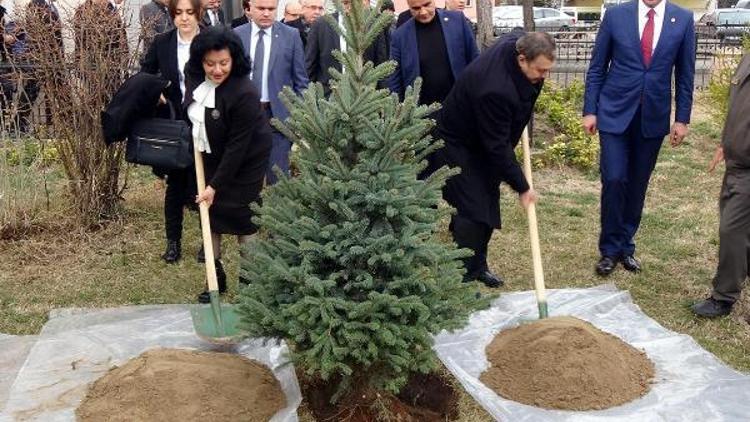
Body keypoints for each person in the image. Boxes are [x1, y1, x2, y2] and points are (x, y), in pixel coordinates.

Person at [582, 0, 695, 277]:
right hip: (613, 112)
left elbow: (685, 74)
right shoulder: (616, 15)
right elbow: (597, 66)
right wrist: (590, 110)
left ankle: (625, 247)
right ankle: (609, 250)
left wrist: (682, 118)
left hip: (653, 116)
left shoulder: (683, 19)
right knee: (614, 178)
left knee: (637, 183)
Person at [435, 31, 554, 288]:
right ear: (522, 59)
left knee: (487, 204)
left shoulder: (517, 43)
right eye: (541, 70)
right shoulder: (494, 90)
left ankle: (478, 267)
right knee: (473, 210)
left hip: (483, 139)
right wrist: (522, 187)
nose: (545, 76)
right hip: (458, 142)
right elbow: (497, 147)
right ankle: (462, 280)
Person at [184, 26, 272, 302]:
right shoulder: (198, 81)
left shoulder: (244, 92)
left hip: (245, 162)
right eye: (210, 64)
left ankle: (250, 281)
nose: (217, 70)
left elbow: (238, 147)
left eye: (223, 63)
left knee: (243, 219)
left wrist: (215, 185)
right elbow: (192, 107)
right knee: (210, 217)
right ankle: (214, 278)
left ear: (234, 60)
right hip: (210, 154)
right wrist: (209, 184)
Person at [140, 0, 203, 264]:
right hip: (176, 120)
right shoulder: (163, 42)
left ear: (198, 13)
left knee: (203, 182)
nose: (184, 18)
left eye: (190, 13)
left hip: (206, 118)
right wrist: (158, 94)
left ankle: (208, 242)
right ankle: (173, 242)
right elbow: (146, 73)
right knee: (176, 184)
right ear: (171, 14)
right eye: (179, 13)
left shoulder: (211, 40)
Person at [692, 54, 750, 318]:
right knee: (734, 226)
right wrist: (724, 144)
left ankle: (723, 298)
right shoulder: (747, 59)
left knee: (732, 229)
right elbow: (737, 108)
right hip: (736, 163)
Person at [235, 0, 308, 184]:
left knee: (278, 175)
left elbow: (301, 81)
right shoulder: (236, 35)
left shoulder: (291, 36)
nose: (266, 13)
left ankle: (277, 210)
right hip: (244, 115)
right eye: (261, 9)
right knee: (245, 174)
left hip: (278, 117)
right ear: (249, 7)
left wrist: (297, 116)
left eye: (271, 9)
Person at [388, 0, 478, 105]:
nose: (423, 12)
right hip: (421, 113)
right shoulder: (400, 36)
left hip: (459, 105)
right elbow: (395, 79)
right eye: (416, 8)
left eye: (427, 5)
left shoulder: (457, 21)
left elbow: (475, 61)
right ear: (409, 6)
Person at [305, 0, 388, 95]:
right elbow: (310, 67)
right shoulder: (321, 25)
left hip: (363, 100)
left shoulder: (373, 26)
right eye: (346, 3)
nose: (350, 6)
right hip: (329, 99)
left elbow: (381, 67)